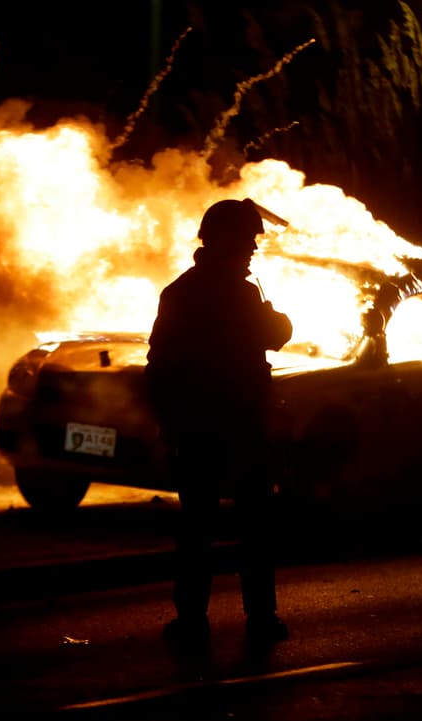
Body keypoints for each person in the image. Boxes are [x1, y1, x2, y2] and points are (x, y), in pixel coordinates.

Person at [146, 198, 294, 647]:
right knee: (254, 524)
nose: (253, 248)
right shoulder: (240, 294)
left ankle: (191, 619)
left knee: (197, 527)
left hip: (197, 427)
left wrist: (168, 423)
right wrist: (277, 315)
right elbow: (278, 335)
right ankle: (261, 616)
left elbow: (159, 365)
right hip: (239, 424)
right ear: (226, 239)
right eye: (248, 239)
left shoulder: (179, 292)